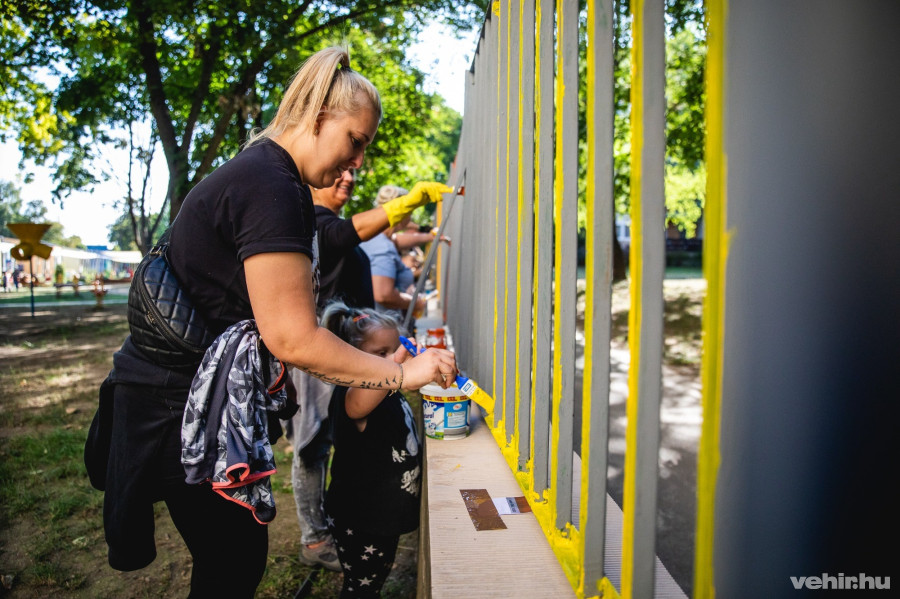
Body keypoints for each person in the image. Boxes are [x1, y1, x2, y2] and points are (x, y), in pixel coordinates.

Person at [86, 46, 457, 598]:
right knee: (232, 565)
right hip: (174, 410)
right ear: (318, 116)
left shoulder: (270, 176)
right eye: (356, 140)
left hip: (181, 404)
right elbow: (293, 338)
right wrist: (403, 374)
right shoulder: (271, 186)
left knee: (231, 563)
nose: (358, 162)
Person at [286, 167, 450, 571]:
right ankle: (315, 539)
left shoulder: (334, 223)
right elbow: (352, 233)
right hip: (320, 352)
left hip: (349, 352)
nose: (348, 176)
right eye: (339, 168)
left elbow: (376, 238)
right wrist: (407, 202)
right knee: (312, 445)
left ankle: (343, 514)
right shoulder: (312, 221)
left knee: (342, 436)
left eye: (352, 172)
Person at [319, 301, 423, 598]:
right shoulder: (353, 395)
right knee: (361, 588)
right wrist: (397, 365)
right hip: (361, 520)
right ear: (350, 357)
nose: (391, 359)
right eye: (380, 354)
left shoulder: (386, 390)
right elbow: (359, 404)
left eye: (395, 349)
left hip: (380, 517)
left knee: (373, 582)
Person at [359, 185, 440, 317]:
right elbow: (384, 295)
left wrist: (430, 237)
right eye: (410, 209)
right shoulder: (383, 247)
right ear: (402, 211)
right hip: (385, 322)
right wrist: (415, 303)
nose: (411, 215)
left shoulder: (375, 237)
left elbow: (398, 240)